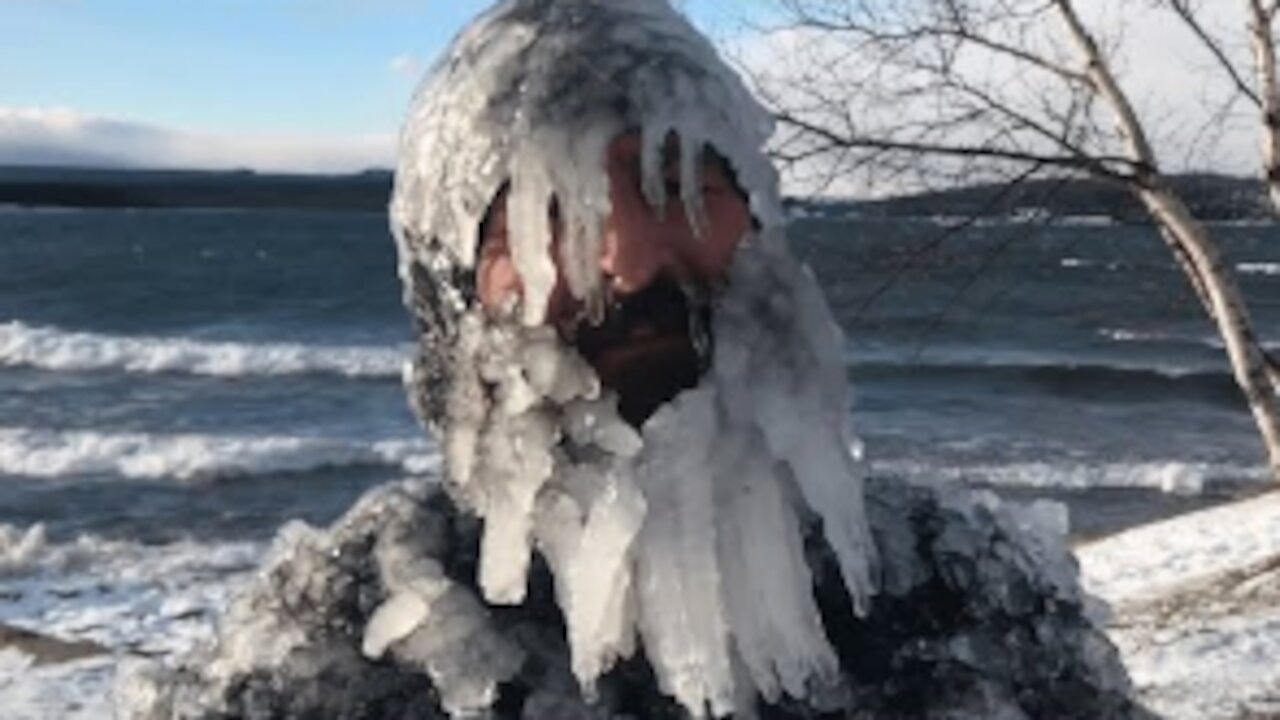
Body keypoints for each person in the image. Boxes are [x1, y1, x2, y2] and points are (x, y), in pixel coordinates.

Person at [120, 1, 1151, 718]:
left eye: (679, 186)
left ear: (763, 227)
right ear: (453, 301)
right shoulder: (360, 637)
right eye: (541, 220)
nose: (630, 260)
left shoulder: (968, 602)